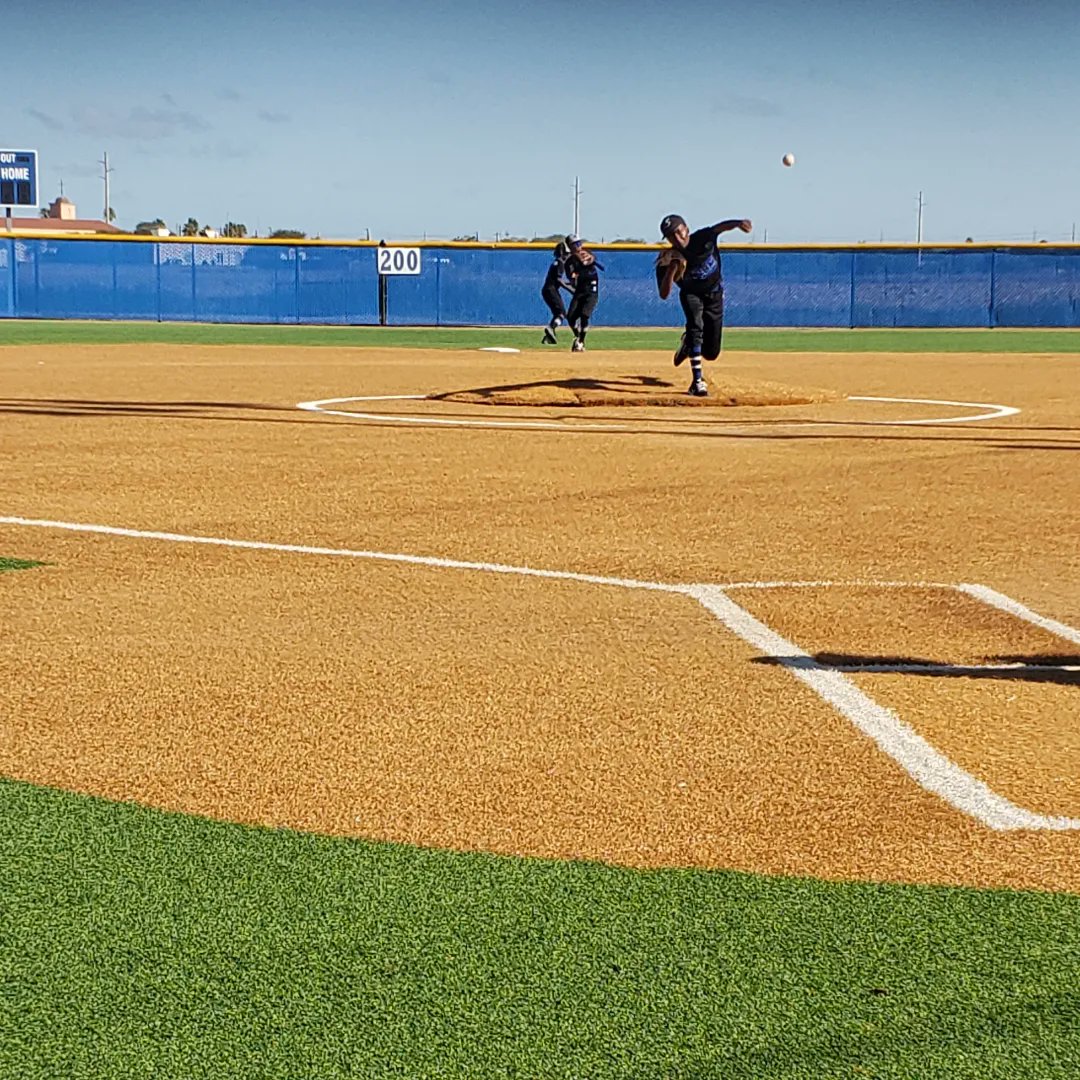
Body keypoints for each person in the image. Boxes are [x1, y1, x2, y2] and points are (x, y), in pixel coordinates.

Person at [655, 213, 751, 396]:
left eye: (678, 232)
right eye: (670, 236)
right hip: (691, 295)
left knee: (711, 353)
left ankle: (687, 343)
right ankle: (697, 382)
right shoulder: (667, 258)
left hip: (714, 294)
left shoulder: (702, 238)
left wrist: (738, 223)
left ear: (686, 229)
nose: (676, 237)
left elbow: (721, 226)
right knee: (695, 327)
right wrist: (672, 269)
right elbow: (664, 294)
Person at [563, 235, 604, 352]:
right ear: (570, 247)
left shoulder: (587, 254)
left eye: (579, 243)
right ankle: (578, 337)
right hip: (580, 290)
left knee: (584, 315)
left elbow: (590, 262)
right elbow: (571, 276)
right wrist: (573, 277)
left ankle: (581, 341)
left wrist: (587, 259)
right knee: (571, 317)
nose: (579, 246)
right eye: (575, 245)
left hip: (591, 290)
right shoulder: (570, 261)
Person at [540, 240, 572, 344]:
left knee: (557, 314)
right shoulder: (560, 263)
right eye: (567, 254)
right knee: (561, 313)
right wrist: (570, 289)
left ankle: (548, 337)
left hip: (547, 290)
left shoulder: (555, 262)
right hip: (551, 290)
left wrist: (569, 285)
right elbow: (558, 280)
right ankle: (551, 328)